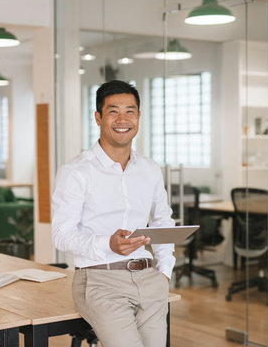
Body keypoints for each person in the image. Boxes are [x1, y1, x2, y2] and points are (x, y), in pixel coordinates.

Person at [51, 80, 175, 347]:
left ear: (139, 117)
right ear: (98, 117)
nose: (123, 119)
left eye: (130, 111)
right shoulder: (76, 171)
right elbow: (61, 235)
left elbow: (162, 220)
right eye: (113, 111)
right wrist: (106, 243)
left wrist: (165, 270)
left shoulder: (150, 169)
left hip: (149, 278)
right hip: (99, 279)